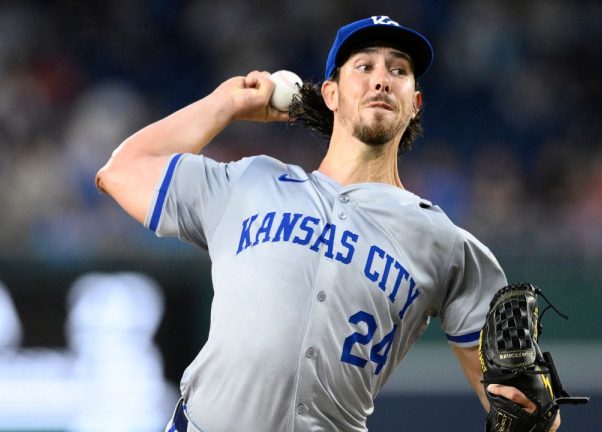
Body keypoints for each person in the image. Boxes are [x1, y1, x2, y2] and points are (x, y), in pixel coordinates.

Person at [96, 15, 561, 432]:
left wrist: (534, 409)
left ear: (415, 102)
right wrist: (225, 105)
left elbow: (524, 409)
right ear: (331, 94)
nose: (382, 80)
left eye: (398, 70)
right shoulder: (252, 182)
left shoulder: (445, 244)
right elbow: (121, 171)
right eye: (364, 67)